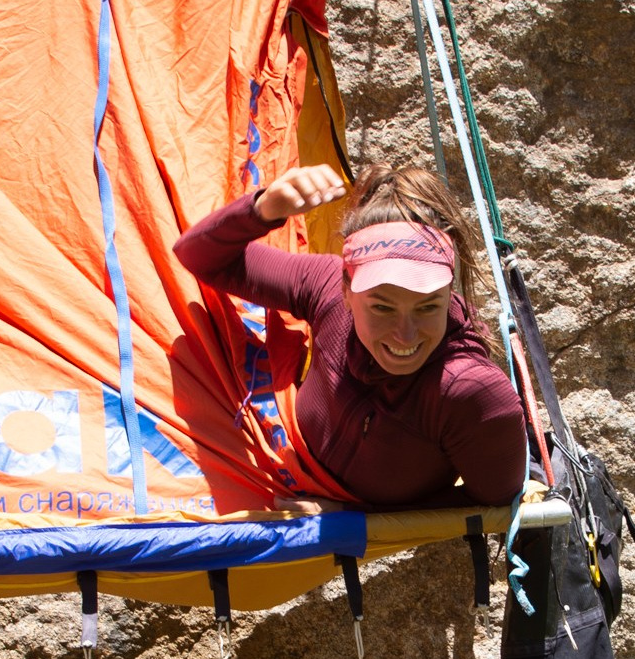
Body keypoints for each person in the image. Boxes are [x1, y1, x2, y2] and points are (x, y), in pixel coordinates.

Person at [174, 161, 525, 509]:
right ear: (347, 289)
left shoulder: (471, 391)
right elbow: (198, 256)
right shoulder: (326, 287)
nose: (405, 335)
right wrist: (262, 209)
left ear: (450, 295)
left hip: (327, 520)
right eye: (382, 308)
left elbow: (495, 504)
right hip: (271, 465)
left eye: (427, 307)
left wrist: (348, 519)